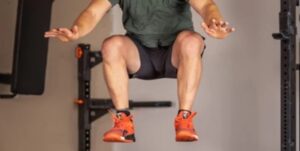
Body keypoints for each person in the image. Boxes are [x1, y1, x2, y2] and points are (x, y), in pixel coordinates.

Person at [45, 0, 234, 143]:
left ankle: (184, 119)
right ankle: (123, 123)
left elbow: (206, 5)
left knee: (192, 41)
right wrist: (76, 32)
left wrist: (214, 23)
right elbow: (93, 12)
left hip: (175, 54)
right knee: (111, 45)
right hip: (139, 55)